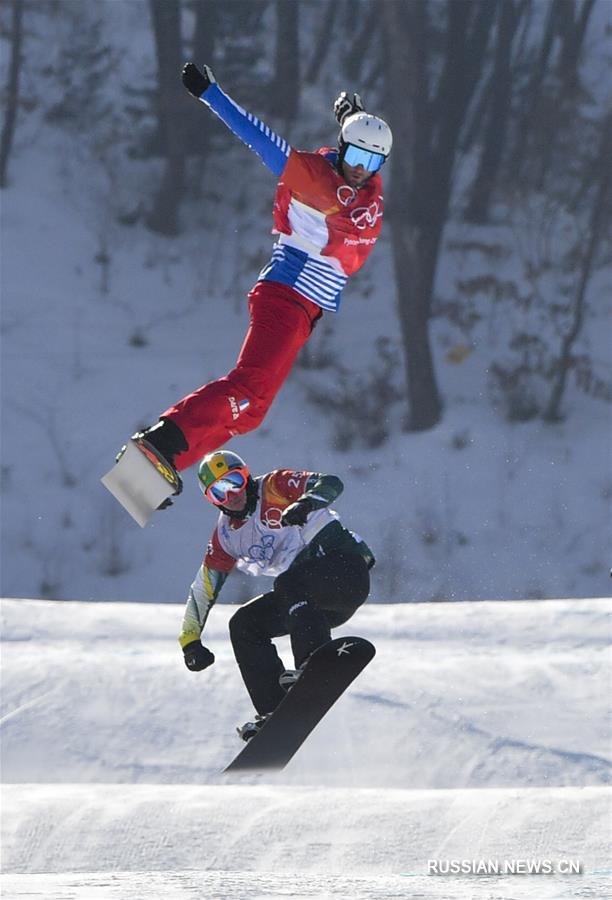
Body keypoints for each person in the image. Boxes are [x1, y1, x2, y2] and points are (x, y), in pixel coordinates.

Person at [124, 63, 392, 501]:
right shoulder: (316, 180)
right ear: (343, 150)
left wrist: (351, 117)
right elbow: (262, 141)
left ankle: (159, 469)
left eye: (373, 162)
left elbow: (361, 148)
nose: (362, 170)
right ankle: (162, 442)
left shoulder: (363, 185)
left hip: (304, 309)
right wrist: (211, 95)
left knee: (252, 412)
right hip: (288, 294)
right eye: (357, 158)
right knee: (247, 388)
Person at [178, 449, 375, 740]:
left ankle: (314, 663)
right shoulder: (226, 536)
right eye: (219, 492)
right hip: (313, 607)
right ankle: (274, 711)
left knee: (287, 583)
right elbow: (203, 587)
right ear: (212, 500)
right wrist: (190, 640)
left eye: (234, 481)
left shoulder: (275, 486)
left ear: (246, 475)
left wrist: (306, 503)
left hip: (346, 573)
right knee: (244, 624)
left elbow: (332, 483)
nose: (231, 495)